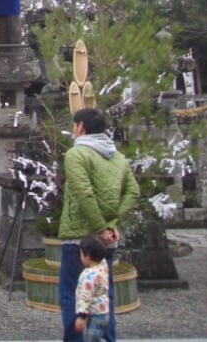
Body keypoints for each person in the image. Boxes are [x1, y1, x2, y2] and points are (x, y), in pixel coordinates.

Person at [58, 107, 139, 342]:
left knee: (74, 294)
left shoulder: (77, 154)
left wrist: (100, 227)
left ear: (80, 127)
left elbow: (84, 193)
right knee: (104, 295)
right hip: (107, 241)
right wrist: (111, 224)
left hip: (79, 238)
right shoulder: (118, 157)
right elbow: (133, 191)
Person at [75, 234, 111, 342]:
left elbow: (86, 297)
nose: (80, 256)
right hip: (104, 312)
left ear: (88, 256)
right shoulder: (103, 267)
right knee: (98, 336)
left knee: (90, 339)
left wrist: (81, 316)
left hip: (93, 314)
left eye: (81, 253)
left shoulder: (89, 275)